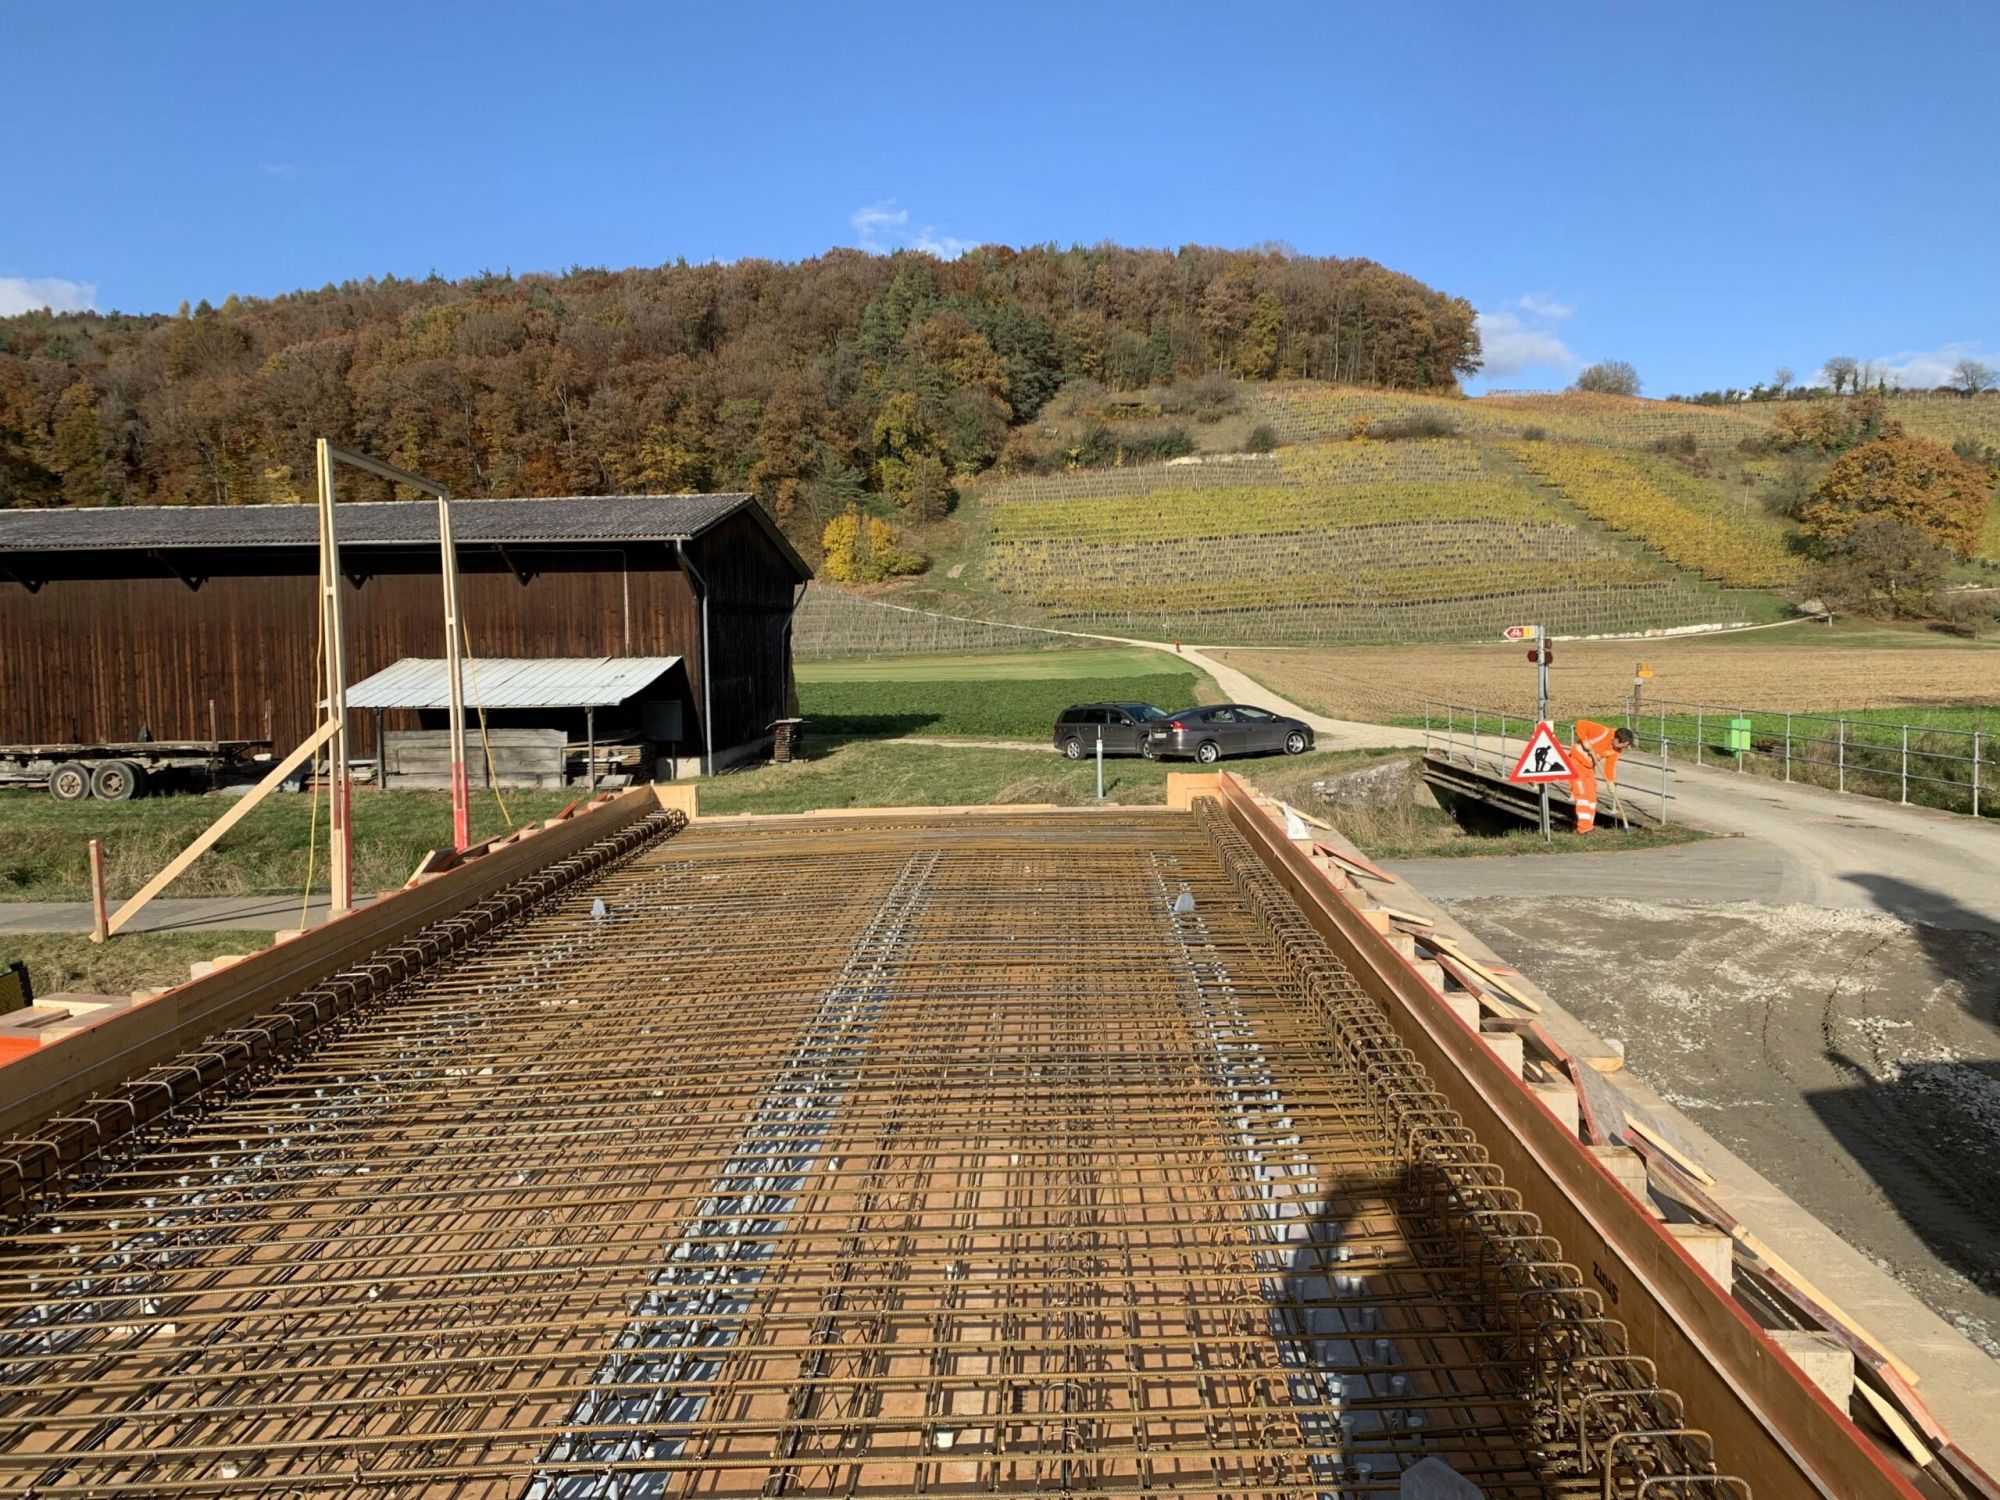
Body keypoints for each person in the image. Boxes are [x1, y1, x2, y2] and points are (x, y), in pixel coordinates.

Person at [1569, 720, 1634, 833]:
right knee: (1583, 796)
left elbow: (1610, 766)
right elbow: (1580, 724)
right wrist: (1584, 741)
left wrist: (1610, 782)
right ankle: (1583, 829)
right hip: (1575, 763)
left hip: (1589, 768)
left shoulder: (1616, 750)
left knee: (1592, 796)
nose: (1623, 748)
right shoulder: (1602, 732)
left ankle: (1588, 826)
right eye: (1623, 745)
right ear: (1616, 739)